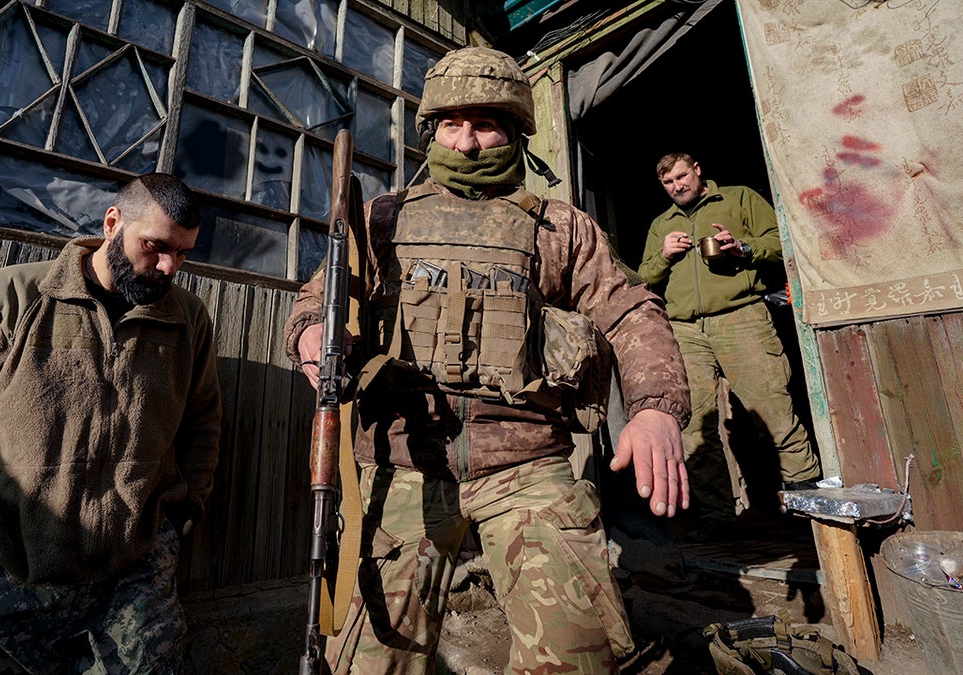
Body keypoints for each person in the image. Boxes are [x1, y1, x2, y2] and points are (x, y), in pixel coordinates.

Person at [284, 47, 692, 673]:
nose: (467, 142)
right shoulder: (382, 220)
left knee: (579, 656)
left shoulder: (561, 227)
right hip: (405, 462)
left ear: (516, 130)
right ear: (432, 131)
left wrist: (655, 408)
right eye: (452, 124)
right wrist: (313, 332)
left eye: (484, 124)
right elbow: (319, 297)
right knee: (371, 661)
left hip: (527, 463)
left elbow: (632, 310)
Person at [0, 173, 223, 673]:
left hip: (131, 586)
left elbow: (203, 425)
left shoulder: (188, 320)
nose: (168, 267)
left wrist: (173, 528)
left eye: (183, 254)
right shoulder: (10, 298)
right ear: (113, 223)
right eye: (156, 246)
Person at [638, 153, 821, 530]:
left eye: (682, 177)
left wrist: (743, 248)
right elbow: (642, 278)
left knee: (773, 411)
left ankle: (811, 511)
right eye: (669, 183)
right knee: (694, 427)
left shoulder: (738, 199)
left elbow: (780, 242)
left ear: (698, 170)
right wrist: (663, 256)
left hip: (741, 317)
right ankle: (717, 520)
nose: (678, 186)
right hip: (685, 330)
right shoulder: (662, 224)